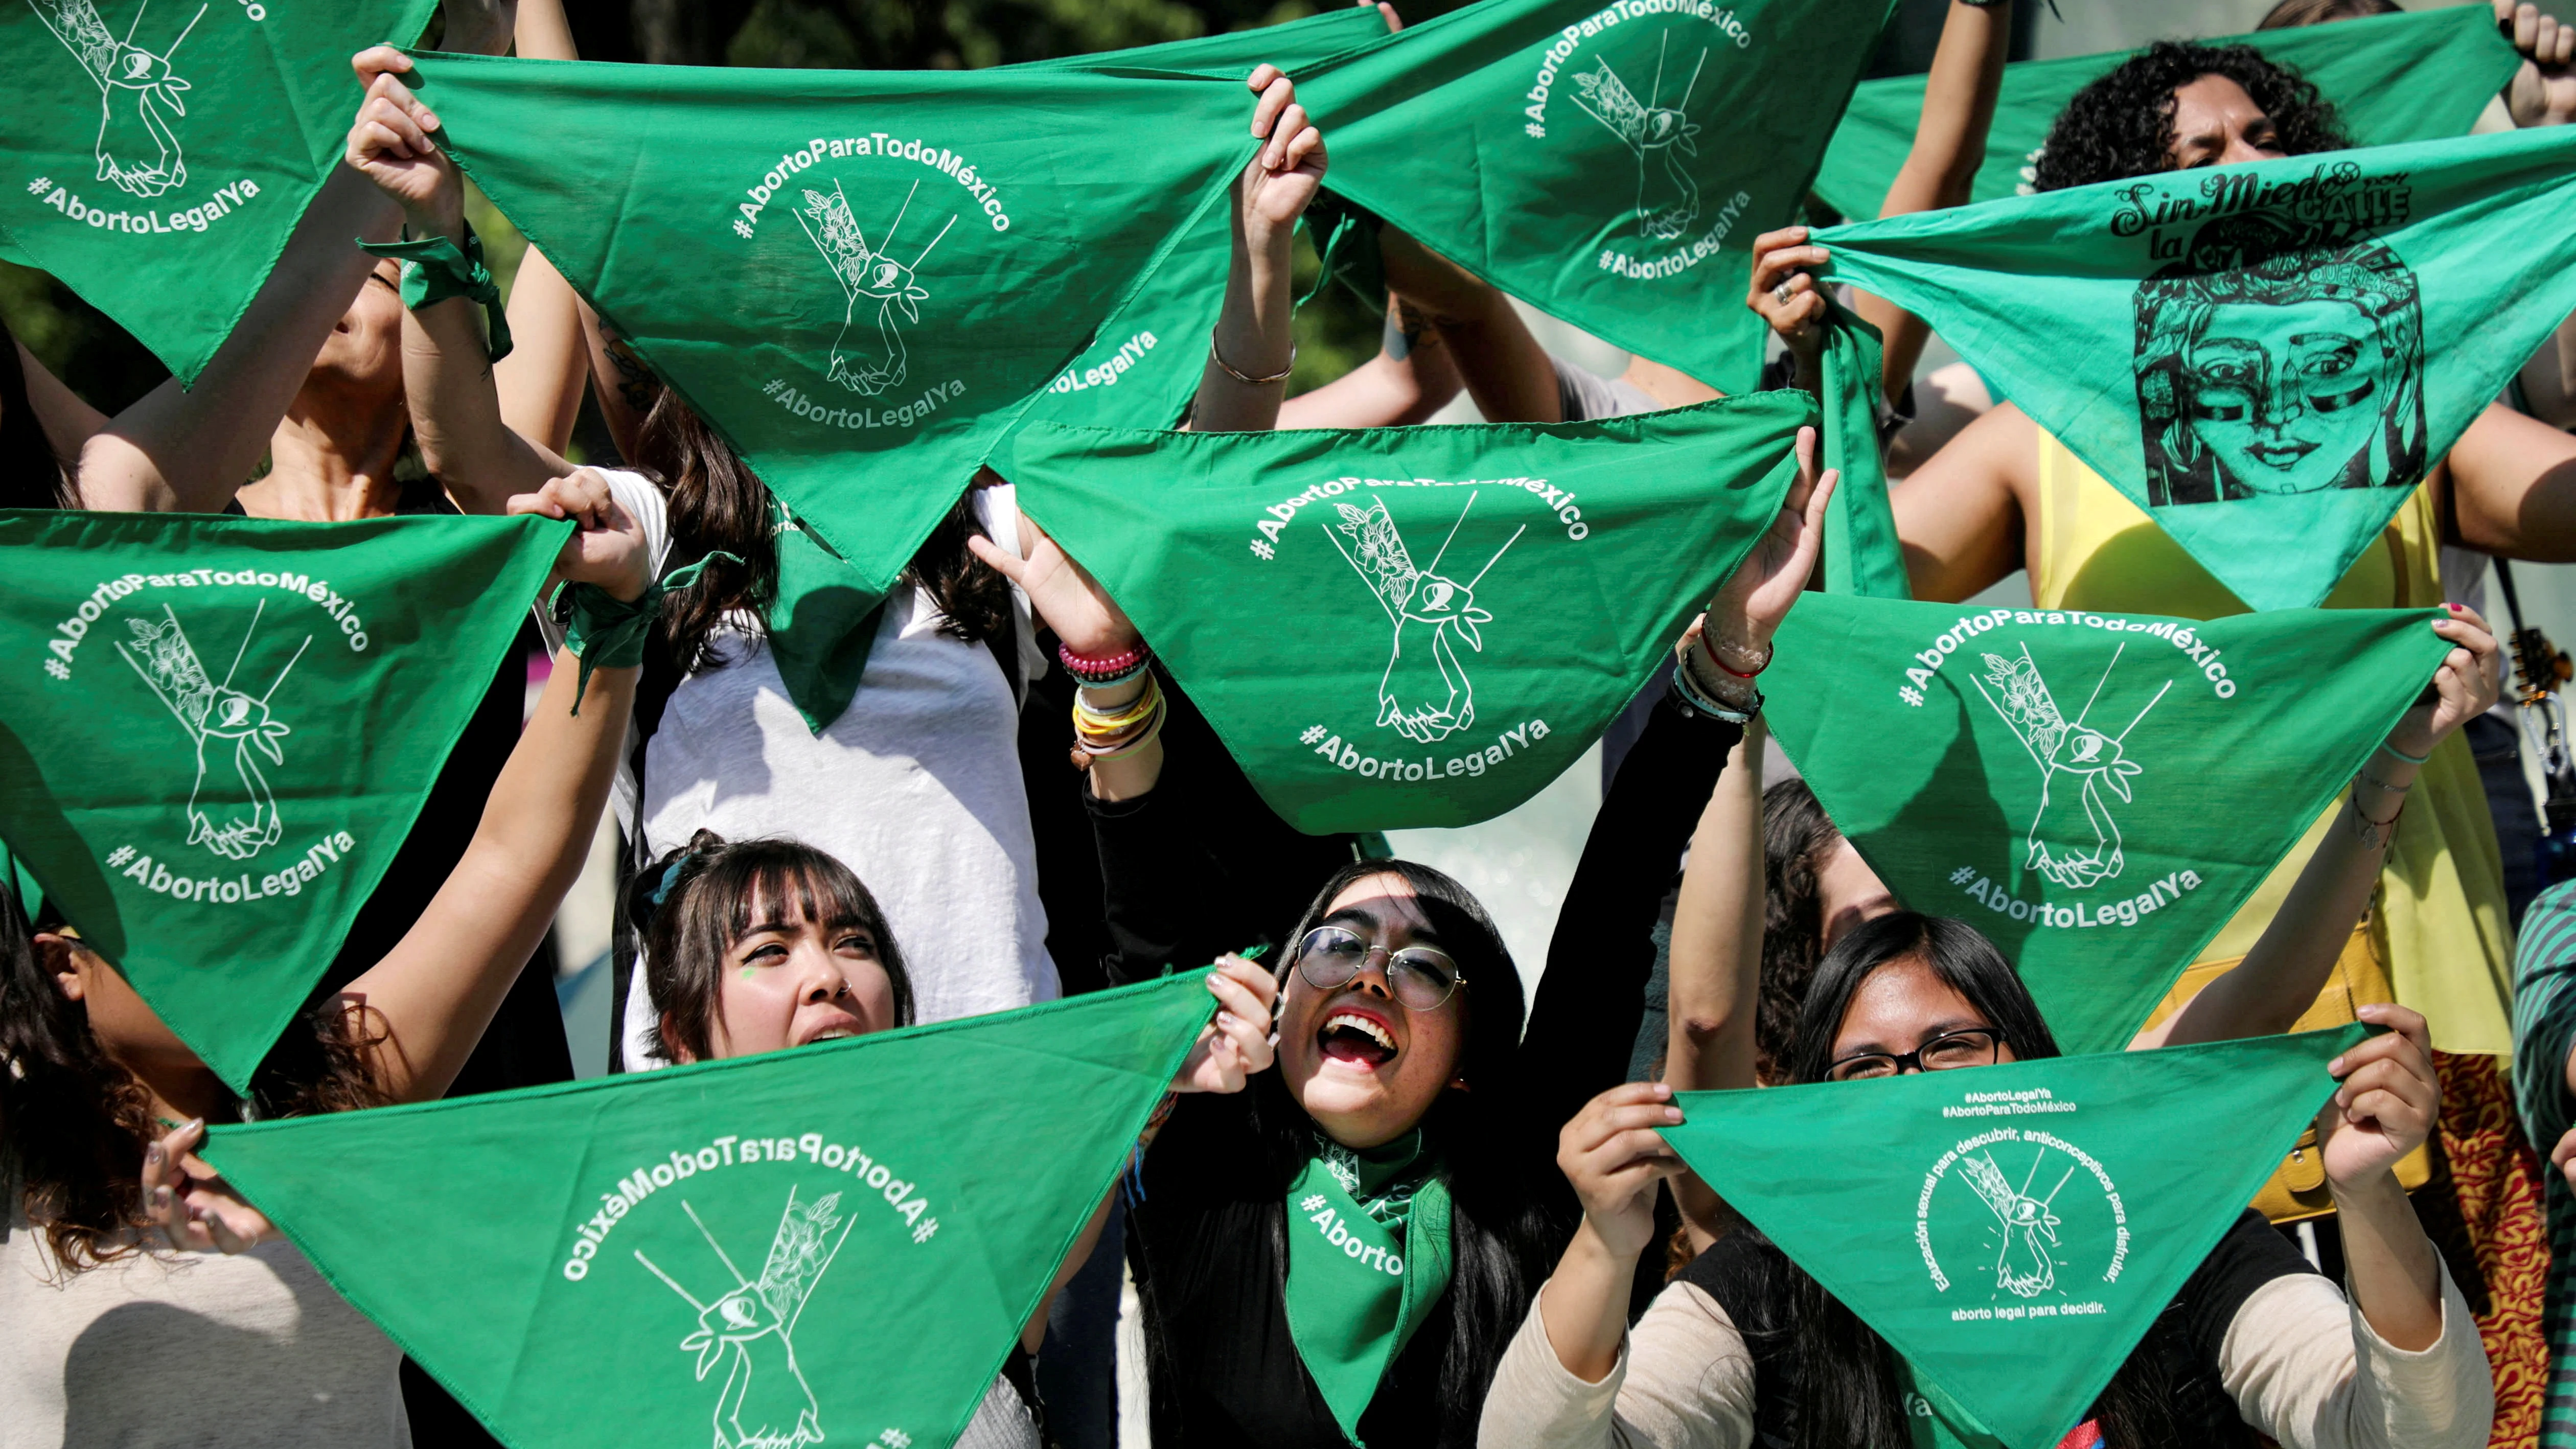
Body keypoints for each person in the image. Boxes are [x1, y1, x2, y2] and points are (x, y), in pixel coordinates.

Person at [346, 52, 1330, 1050]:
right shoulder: (657, 536)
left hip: (983, 1103)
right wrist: (432, 228)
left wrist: (1260, 248)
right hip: (721, 1129)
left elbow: (1193, 490)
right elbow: (472, 460)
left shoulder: (992, 537)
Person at [961, 409, 1835, 1444]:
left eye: (1423, 964)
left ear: (1469, 1058)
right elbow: (1147, 931)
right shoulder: (1219, 1165)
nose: (1369, 974)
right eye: (1336, 945)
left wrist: (1729, 660)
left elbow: (1613, 905)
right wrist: (1107, 670)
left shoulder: (1517, 1194)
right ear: (1274, 1010)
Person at [134, 825, 1278, 1448]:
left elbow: (1090, 1128)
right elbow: (429, 1215)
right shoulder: (591, 1229)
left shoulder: (962, 1200)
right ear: (679, 1033)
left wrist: (1161, 1063)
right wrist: (285, 1189)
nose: (828, 976)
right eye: (768, 954)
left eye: (853, 944)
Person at [1, 472, 650, 1447]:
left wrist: (612, 615)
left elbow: (515, 858)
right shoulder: (20, 1157)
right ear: (62, 964)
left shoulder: (342, 1094)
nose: (220, 914)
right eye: (163, 910)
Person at [1496, 914, 2493, 1449]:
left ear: (2029, 1059)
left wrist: (2368, 1192)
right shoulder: (1767, 1286)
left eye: (1950, 1046)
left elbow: (2419, 1435)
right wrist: (1604, 1241)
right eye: (1866, 1068)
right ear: (1821, 1107)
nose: (1912, 1089)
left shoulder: (2173, 1240)